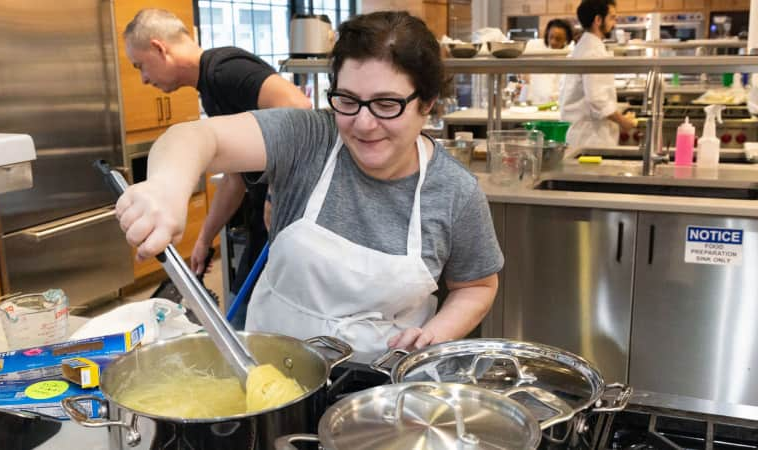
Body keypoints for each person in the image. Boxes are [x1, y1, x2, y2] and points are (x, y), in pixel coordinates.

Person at [114, 11, 503, 362]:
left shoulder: (454, 191)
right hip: (273, 370)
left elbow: (477, 285)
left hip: (380, 387)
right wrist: (167, 186)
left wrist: (435, 334)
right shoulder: (310, 139)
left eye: (387, 105)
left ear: (428, 103)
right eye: (347, 100)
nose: (364, 124)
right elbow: (195, 138)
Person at [123, 9, 311, 327]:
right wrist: (204, 238)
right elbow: (235, 178)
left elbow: (297, 107)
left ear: (159, 48)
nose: (143, 78)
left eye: (140, 65)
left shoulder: (225, 69)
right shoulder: (210, 89)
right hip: (265, 222)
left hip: (289, 218)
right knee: (244, 313)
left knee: (249, 318)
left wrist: (275, 195)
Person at [559, 0, 636, 149]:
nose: (614, 23)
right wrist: (623, 121)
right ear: (598, 20)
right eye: (612, 17)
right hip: (590, 138)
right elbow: (597, 100)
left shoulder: (586, 46)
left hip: (583, 135)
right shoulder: (593, 51)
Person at [527, 19, 575, 105]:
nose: (553, 42)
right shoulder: (535, 47)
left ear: (566, 39)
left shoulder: (571, 53)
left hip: (559, 104)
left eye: (558, 39)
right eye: (551, 37)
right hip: (536, 102)